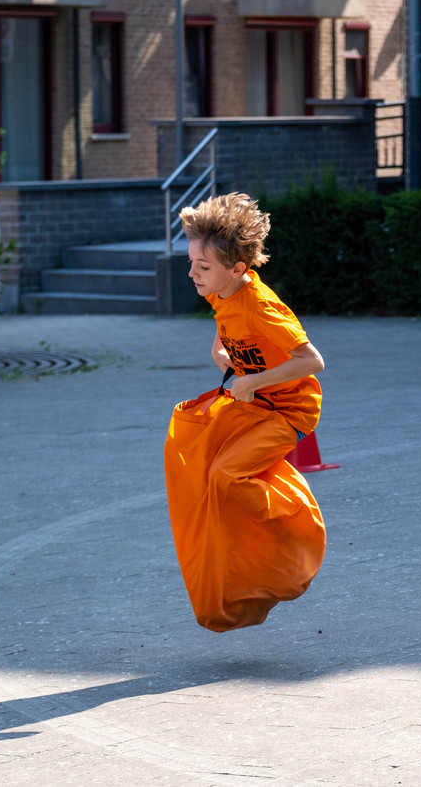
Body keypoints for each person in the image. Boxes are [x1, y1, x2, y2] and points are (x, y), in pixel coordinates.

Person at [163, 192, 327, 632]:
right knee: (193, 459)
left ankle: (298, 528)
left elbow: (313, 361)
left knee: (224, 476)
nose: (193, 274)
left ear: (238, 268)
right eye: (191, 263)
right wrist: (220, 352)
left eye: (203, 267)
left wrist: (251, 381)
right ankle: (242, 568)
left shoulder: (262, 306)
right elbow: (224, 331)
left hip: (287, 412)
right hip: (254, 402)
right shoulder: (221, 291)